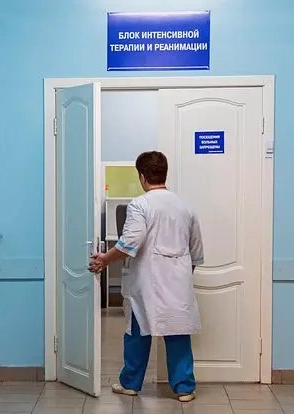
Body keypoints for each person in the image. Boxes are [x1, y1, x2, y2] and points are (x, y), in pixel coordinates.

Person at [88, 151, 204, 402]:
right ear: (165, 173)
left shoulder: (140, 205)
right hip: (178, 284)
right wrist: (182, 275)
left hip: (146, 283)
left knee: (137, 332)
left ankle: (130, 383)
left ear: (142, 176)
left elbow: (129, 243)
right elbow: (196, 251)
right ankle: (184, 388)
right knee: (178, 333)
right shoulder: (185, 207)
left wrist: (104, 259)